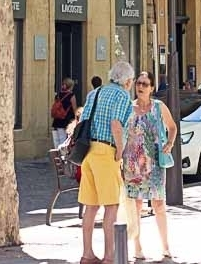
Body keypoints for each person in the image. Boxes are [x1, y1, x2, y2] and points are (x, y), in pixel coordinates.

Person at [78, 62, 135, 264]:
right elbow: (116, 124)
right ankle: (109, 256)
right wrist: (120, 150)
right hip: (105, 151)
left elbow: (82, 121)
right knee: (111, 206)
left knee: (91, 207)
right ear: (128, 81)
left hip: (88, 152)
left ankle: (87, 254)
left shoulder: (95, 93)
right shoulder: (122, 95)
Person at [121, 71, 177, 261]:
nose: (141, 87)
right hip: (132, 164)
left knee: (159, 204)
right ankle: (137, 248)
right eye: (139, 83)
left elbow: (172, 126)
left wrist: (169, 143)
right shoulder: (128, 107)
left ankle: (166, 246)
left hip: (154, 164)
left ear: (152, 88)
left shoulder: (159, 107)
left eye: (145, 84)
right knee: (135, 206)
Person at [51, 78, 77, 147]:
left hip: (57, 119)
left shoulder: (58, 95)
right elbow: (74, 108)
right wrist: (76, 119)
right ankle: (62, 156)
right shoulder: (71, 95)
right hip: (67, 119)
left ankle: (57, 155)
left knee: (57, 140)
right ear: (71, 86)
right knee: (64, 141)